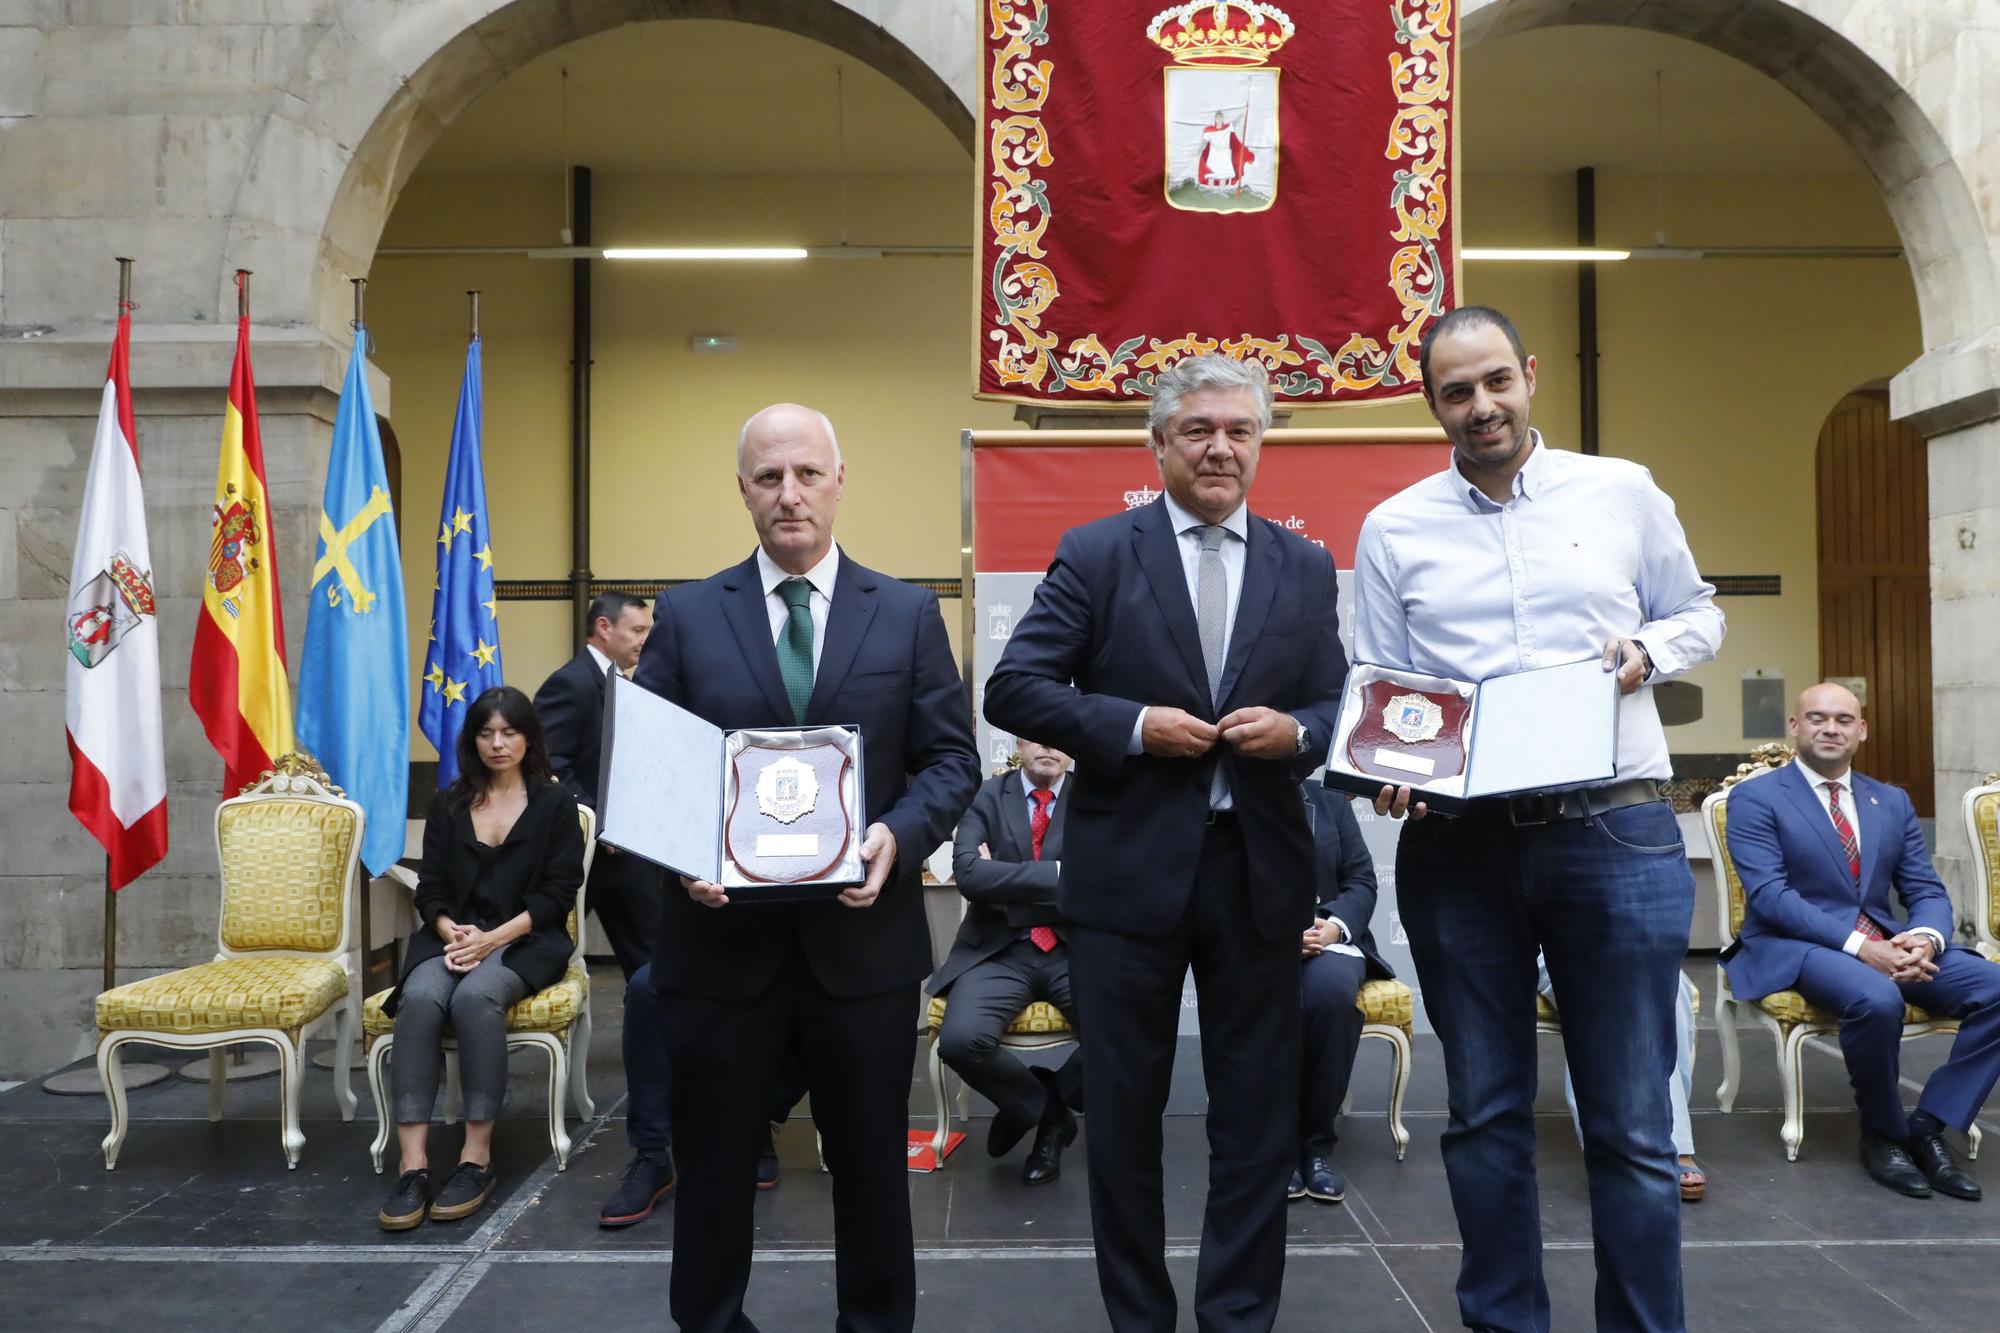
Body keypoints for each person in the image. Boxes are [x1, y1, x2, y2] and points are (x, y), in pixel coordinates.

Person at [1351, 305, 1724, 1331]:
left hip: (1614, 833)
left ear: (1526, 376)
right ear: (1431, 405)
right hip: (1457, 846)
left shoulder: (1621, 491)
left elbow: (1696, 610)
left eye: (1492, 383)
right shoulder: (1394, 527)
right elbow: (1383, 684)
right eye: (1454, 393)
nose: (1480, 407)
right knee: (1481, 1118)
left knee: (1631, 1124)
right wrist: (1391, 765)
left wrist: (1649, 652)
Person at [985, 353, 1346, 1332]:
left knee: (1253, 1117)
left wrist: (1301, 736)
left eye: (1238, 430)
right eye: (1197, 429)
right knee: (1126, 1120)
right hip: (1128, 875)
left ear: (1260, 442)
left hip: (1258, 874)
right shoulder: (1098, 551)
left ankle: (1236, 1316)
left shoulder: (1302, 564)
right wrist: (1133, 727)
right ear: (1157, 444)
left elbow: (1331, 698)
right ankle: (1137, 1317)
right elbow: (1012, 687)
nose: (1219, 446)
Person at [632, 403, 979, 1331]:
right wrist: (686, 853)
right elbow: (649, 767)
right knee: (710, 1171)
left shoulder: (905, 612)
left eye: (807, 474)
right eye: (768, 477)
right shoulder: (689, 614)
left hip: (861, 949)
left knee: (870, 1168)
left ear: (838, 482)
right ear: (742, 490)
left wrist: (897, 835)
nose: (790, 494)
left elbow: (952, 761)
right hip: (718, 948)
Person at [1723, 681, 1997, 1201]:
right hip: (1794, 945)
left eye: (1844, 720)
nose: (1831, 728)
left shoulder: (1889, 801)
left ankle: (1930, 1125)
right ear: (1795, 726)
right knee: (1875, 997)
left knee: (1997, 987)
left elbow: (1924, 889)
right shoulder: (1756, 798)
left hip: (1886, 941)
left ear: (1861, 730)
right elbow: (1771, 896)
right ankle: (1882, 1135)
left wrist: (1924, 940)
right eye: (1818, 718)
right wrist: (1861, 948)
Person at [376, 685, 585, 1231]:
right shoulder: (450, 802)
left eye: (509, 732)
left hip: (525, 939)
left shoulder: (555, 804)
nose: (497, 743)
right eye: (486, 733)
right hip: (453, 936)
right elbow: (431, 887)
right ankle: (414, 1165)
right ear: (473, 740)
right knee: (420, 999)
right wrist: (451, 931)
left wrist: (490, 941)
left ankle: (476, 1158)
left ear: (527, 738)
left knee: (475, 997)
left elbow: (557, 895)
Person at [934, 737, 1082, 1185]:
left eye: (1061, 738)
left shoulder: (1095, 798)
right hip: (998, 949)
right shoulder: (986, 795)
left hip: (1073, 948)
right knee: (959, 1041)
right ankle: (1046, 1111)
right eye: (1037, 736)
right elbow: (970, 875)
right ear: (1018, 742)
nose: (1050, 747)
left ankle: (1043, 1102)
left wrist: (1005, 882)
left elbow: (1106, 876)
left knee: (1127, 1032)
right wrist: (1059, 876)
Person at [534, 591, 662, 980]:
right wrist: (598, 820)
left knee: (650, 954)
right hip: (592, 848)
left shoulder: (614, 681)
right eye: (637, 629)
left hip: (620, 848)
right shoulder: (571, 683)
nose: (645, 639)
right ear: (603, 628)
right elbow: (549, 765)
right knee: (546, 950)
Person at [1291, 782, 1396, 1207]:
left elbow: (1361, 880)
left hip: (1328, 938)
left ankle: (1316, 1146)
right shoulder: (1227, 797)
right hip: (1258, 939)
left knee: (1331, 998)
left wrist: (1332, 925)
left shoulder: (1326, 799)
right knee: (1269, 1001)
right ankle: (1275, 1149)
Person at [1536, 955, 1706, 1202]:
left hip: (1622, 933)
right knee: (1598, 982)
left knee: (1671, 983)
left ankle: (1671, 1139)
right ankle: (1612, 1144)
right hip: (1542, 941)